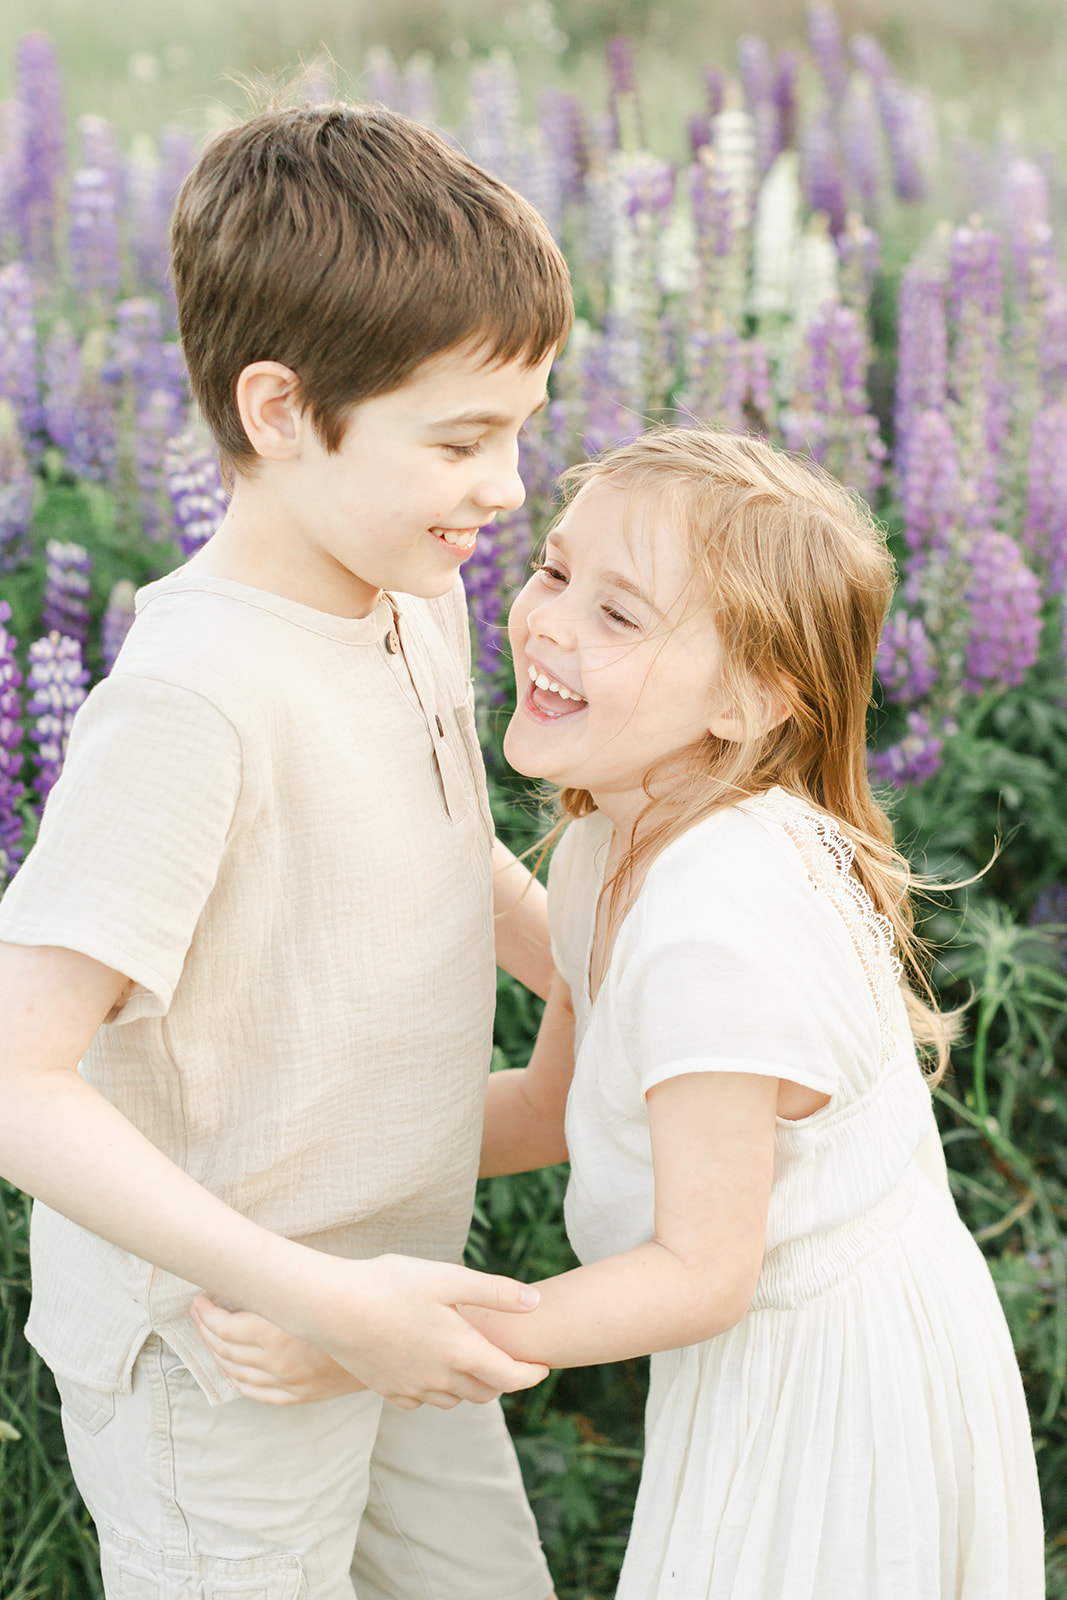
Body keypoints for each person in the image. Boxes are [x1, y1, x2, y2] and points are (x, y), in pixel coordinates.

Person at [196, 427, 1045, 1598]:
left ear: (749, 701)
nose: (547, 621)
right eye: (552, 571)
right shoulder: (614, 829)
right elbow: (555, 1105)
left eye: (620, 614)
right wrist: (269, 1181)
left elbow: (702, 1272)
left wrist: (377, 1340)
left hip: (831, 1385)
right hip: (781, 1346)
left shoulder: (714, 916)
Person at [0, 102, 574, 1600]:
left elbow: (454, 867)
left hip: (390, 1295)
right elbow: (15, 1077)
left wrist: (631, 968)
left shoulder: (408, 594)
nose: (507, 485)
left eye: (519, 427)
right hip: (230, 1349)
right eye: (460, 438)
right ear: (277, 410)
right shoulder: (194, 701)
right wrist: (314, 1297)